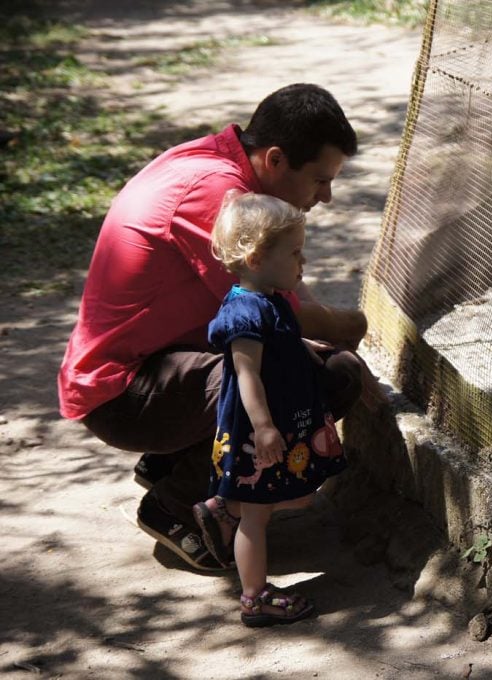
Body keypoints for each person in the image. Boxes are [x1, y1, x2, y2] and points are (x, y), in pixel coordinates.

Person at [58, 83, 378, 571]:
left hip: (149, 371)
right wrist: (351, 323)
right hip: (122, 395)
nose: (326, 197)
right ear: (274, 159)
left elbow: (287, 293)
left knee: (310, 358)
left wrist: (326, 327)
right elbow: (284, 312)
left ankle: (174, 464)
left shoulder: (218, 161)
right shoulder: (217, 194)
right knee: (324, 375)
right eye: (319, 180)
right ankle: (176, 505)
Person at [193, 191, 341, 626]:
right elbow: (246, 375)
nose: (303, 262)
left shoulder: (269, 299)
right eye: (294, 253)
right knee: (257, 515)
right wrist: (263, 428)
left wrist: (297, 346)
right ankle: (254, 598)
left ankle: (226, 505)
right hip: (262, 429)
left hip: (280, 421)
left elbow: (271, 349)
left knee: (294, 494)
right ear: (256, 259)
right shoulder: (244, 312)